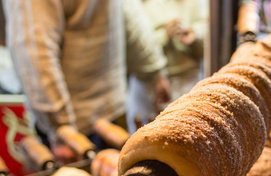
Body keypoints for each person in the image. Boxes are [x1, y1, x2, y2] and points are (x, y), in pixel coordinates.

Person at [2, 0, 171, 163]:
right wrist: (60, 128)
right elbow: (34, 51)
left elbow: (126, 11)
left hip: (108, 112)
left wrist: (154, 71)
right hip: (74, 123)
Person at [127, 0, 208, 133]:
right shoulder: (138, 4)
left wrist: (195, 35)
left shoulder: (199, 3)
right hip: (148, 85)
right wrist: (163, 35)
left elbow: (210, 38)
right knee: (146, 136)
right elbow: (134, 43)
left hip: (188, 81)